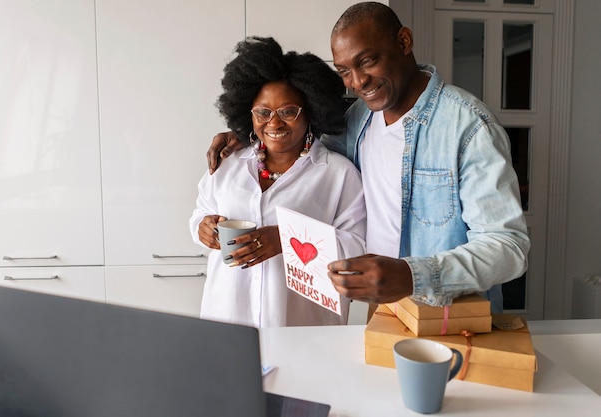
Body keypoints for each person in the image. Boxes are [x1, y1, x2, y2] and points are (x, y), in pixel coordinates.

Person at [205, 2, 530, 315]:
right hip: (384, 311)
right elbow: (294, 135)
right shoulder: (356, 121)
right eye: (344, 70)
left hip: (448, 314)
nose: (358, 81)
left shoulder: (468, 127)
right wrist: (245, 134)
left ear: (404, 42)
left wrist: (412, 276)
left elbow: (508, 246)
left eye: (368, 61)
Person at [189, 36, 366, 328]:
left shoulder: (337, 174)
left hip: (303, 324)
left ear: (310, 110)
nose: (274, 123)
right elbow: (199, 212)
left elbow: (358, 248)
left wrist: (287, 239)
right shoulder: (228, 164)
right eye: (263, 112)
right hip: (228, 317)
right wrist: (202, 228)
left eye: (288, 111)